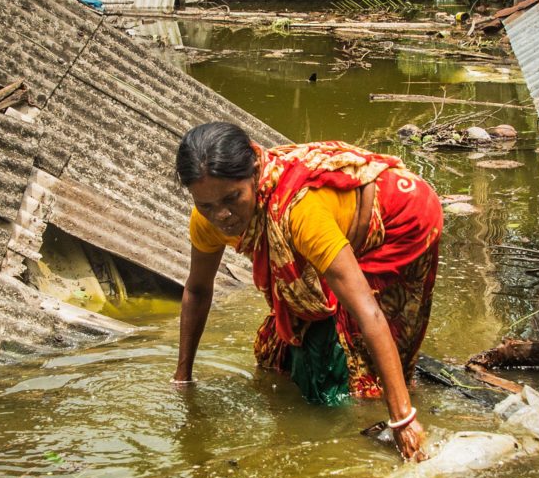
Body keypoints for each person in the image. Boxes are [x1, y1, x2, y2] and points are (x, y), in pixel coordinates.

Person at [171, 122, 443, 460]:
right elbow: (197, 290)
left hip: (401, 216)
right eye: (207, 205)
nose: (222, 216)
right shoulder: (207, 220)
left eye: (232, 199)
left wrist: (403, 419)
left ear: (255, 173)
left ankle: (381, 403)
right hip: (337, 225)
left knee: (346, 343)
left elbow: (366, 309)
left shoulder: (298, 212)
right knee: (292, 345)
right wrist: (183, 377)